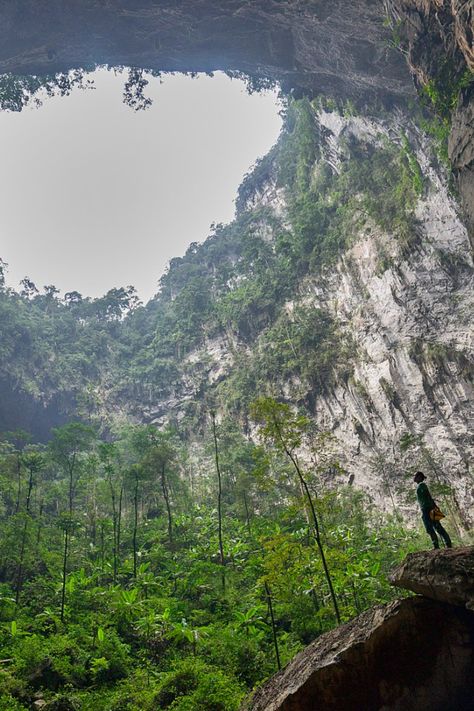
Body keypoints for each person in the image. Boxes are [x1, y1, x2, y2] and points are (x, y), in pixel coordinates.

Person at [414, 471, 452, 549]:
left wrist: (433, 506)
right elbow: (428, 496)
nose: (414, 478)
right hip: (429, 508)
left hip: (427, 509)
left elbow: (427, 495)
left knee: (431, 528)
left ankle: (438, 545)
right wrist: (434, 506)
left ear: (419, 477)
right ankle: (447, 544)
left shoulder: (422, 485)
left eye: (416, 476)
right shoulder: (421, 485)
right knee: (437, 527)